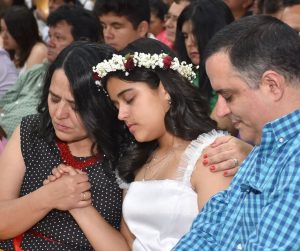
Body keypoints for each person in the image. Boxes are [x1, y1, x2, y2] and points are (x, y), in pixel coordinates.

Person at [45, 37, 248, 251]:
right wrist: (79, 206)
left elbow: (218, 243)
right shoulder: (137, 159)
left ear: (165, 90)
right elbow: (125, 246)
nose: (122, 114)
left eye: (130, 99)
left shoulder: (212, 155)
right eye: (116, 105)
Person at [173, 15, 300, 250]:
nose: (220, 109)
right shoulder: (264, 147)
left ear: (272, 85)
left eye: (228, 96)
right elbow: (207, 232)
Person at [0, 41, 123, 250]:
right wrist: (49, 196)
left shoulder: (128, 153)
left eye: (75, 107)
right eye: (54, 99)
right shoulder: (31, 132)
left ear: (105, 105)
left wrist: (79, 204)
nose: (59, 114)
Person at [0, 4, 101, 138]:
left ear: (81, 43)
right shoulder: (36, 71)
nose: (50, 42)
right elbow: (5, 100)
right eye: (50, 36)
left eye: (58, 38)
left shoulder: (83, 81)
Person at [0, 6, 47, 75]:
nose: (3, 36)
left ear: (23, 31)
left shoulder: (38, 49)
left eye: (9, 31)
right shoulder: (10, 50)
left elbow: (27, 85)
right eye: (2, 30)